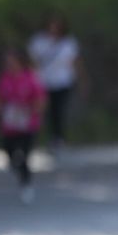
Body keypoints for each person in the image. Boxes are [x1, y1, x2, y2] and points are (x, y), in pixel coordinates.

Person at [0, 47, 47, 204]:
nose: (9, 64)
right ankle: (17, 169)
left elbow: (40, 100)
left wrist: (30, 111)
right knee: (10, 152)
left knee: (24, 155)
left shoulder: (31, 77)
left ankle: (26, 183)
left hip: (27, 124)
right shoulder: (5, 78)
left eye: (12, 61)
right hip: (10, 124)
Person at [28, 14, 82, 155]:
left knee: (58, 110)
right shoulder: (38, 41)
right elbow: (32, 62)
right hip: (42, 81)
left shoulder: (68, 42)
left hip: (63, 81)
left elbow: (74, 62)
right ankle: (34, 138)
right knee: (41, 110)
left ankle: (58, 138)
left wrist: (81, 79)